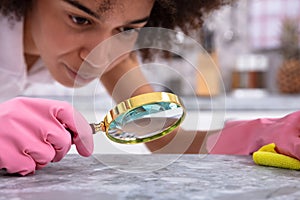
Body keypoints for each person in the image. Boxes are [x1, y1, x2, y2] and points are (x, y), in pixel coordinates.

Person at [0, 0, 300, 176]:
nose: (100, 55)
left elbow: (166, 139)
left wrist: (260, 133)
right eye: (80, 19)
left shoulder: (111, 54)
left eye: (127, 30)